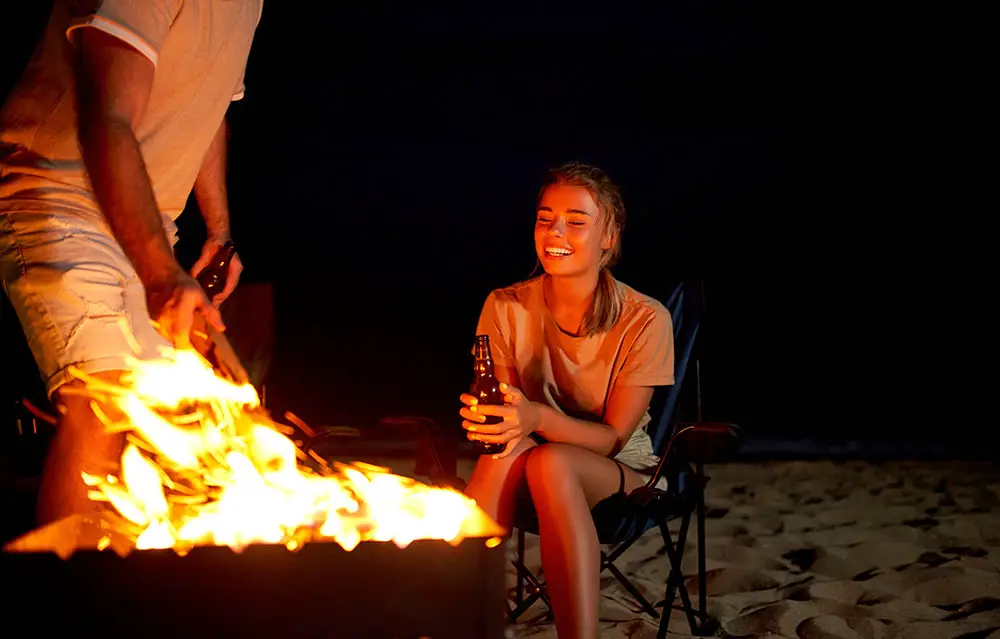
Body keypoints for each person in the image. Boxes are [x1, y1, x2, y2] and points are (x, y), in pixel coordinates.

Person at [0, 0, 263, 525]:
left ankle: (129, 591)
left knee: (174, 423)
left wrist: (219, 231)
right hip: (56, 193)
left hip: (145, 224)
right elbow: (108, 118)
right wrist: (163, 274)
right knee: (108, 401)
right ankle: (62, 596)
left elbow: (206, 108)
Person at [459, 162, 674, 639]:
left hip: (619, 469)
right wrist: (494, 421)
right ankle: (460, 616)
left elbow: (613, 438)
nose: (555, 231)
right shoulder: (506, 305)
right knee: (503, 454)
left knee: (552, 462)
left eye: (576, 221)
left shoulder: (644, 319)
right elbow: (509, 411)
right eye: (545, 218)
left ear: (608, 236)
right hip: (531, 453)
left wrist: (533, 415)